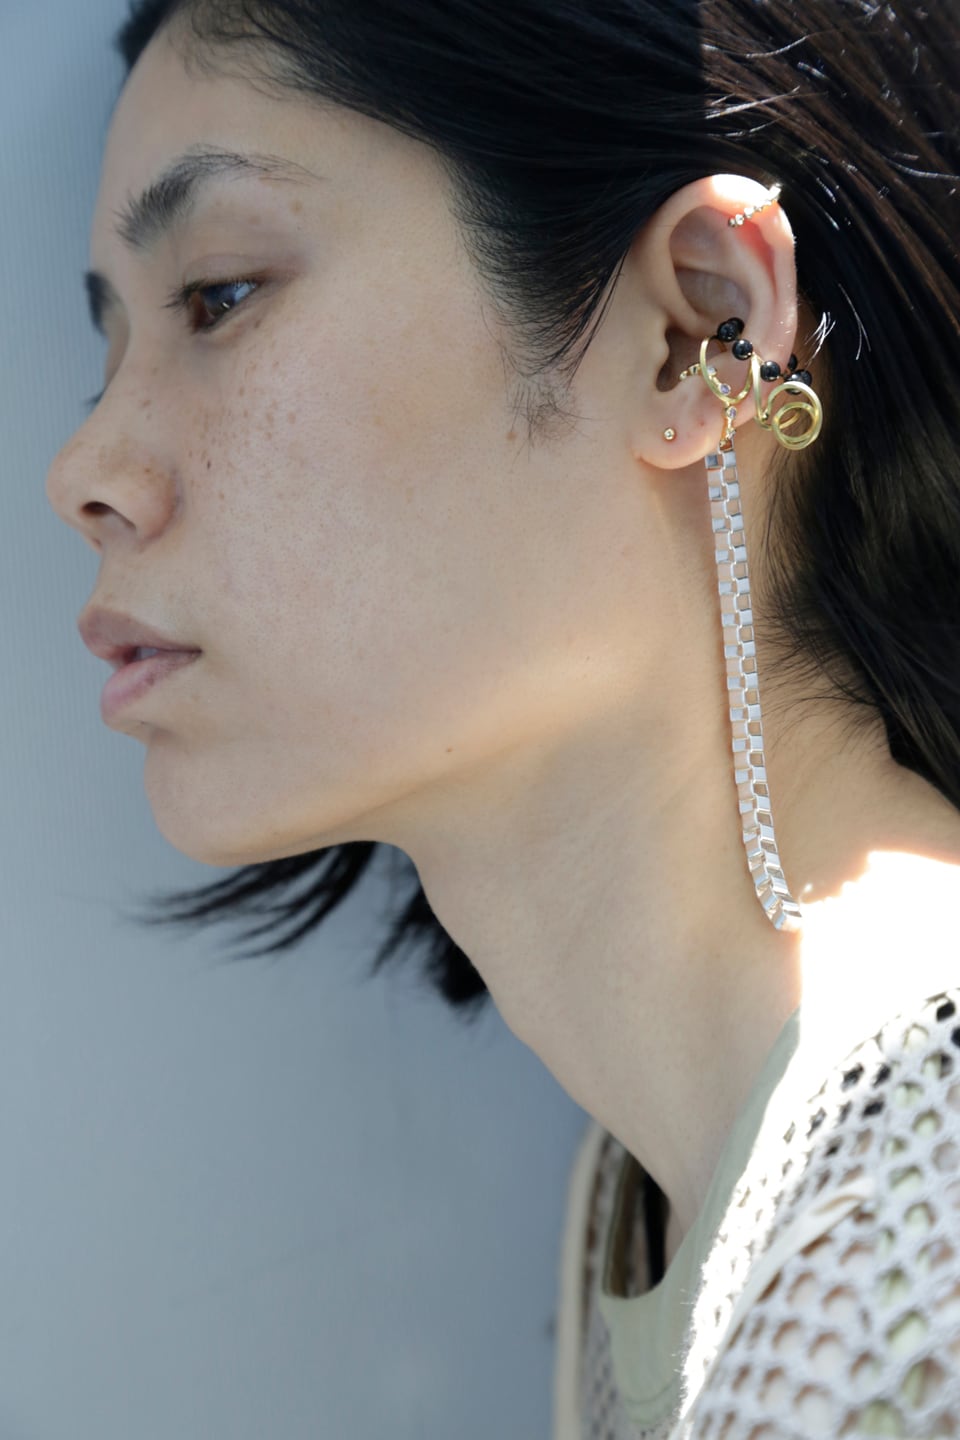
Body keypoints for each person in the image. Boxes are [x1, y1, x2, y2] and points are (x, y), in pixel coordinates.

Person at [45, 0, 960, 1434]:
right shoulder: (649, 1194)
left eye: (220, 296)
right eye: (107, 351)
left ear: (698, 333)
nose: (85, 470)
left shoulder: (904, 1233)